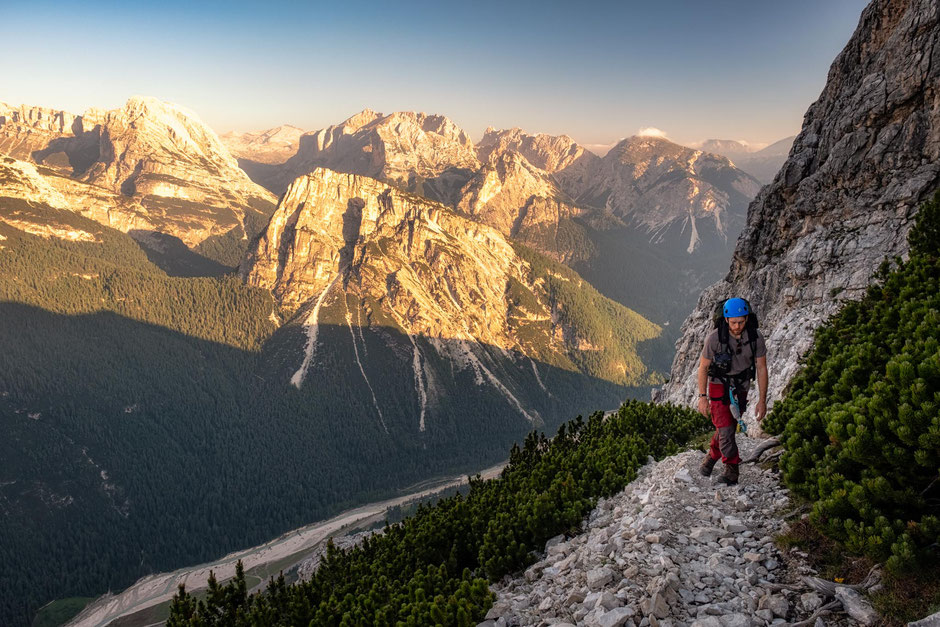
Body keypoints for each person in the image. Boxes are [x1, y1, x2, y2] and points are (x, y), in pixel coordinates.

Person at [696, 297, 768, 485]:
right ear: (726, 319)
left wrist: (762, 400)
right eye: (734, 322)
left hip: (741, 386)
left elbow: (761, 368)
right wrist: (702, 397)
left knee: (725, 427)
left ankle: (711, 458)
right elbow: (703, 368)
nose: (737, 326)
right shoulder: (714, 338)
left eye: (741, 322)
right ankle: (731, 470)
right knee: (726, 429)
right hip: (719, 385)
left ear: (747, 319)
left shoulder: (755, 337)